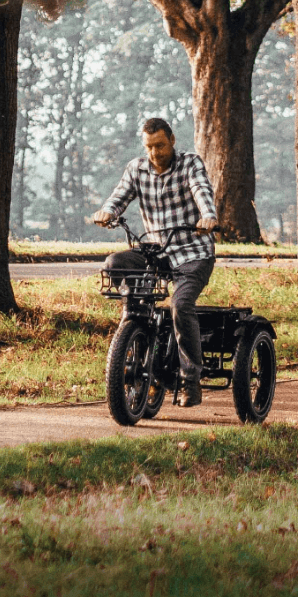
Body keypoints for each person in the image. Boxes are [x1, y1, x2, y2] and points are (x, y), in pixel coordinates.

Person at [89, 117, 217, 406]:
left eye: (160, 145)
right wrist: (107, 211)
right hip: (156, 252)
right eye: (149, 147)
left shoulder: (190, 163)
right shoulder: (137, 169)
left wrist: (207, 216)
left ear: (172, 140)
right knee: (115, 264)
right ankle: (137, 332)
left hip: (193, 252)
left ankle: (190, 380)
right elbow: (119, 196)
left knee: (180, 305)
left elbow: (201, 190)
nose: (155, 153)